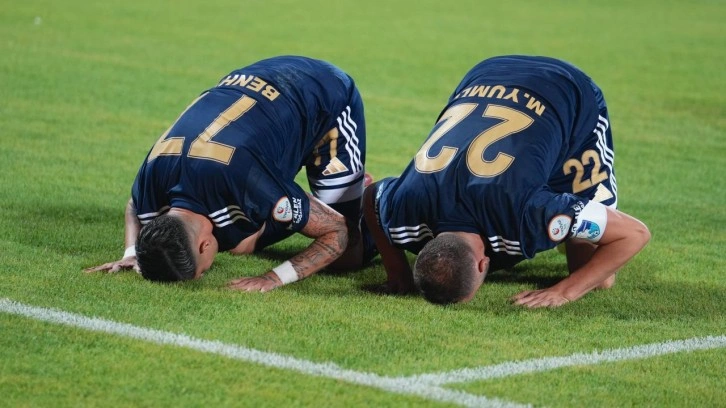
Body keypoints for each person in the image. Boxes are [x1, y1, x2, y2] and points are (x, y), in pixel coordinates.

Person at [363, 55, 650, 308]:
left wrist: (564, 292)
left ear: (483, 264)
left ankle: (569, 216)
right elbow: (373, 195)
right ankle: (567, 213)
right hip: (486, 73)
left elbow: (634, 234)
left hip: (566, 90)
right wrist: (397, 272)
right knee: (582, 251)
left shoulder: (526, 215)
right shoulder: (404, 209)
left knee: (599, 279)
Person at [86, 56, 373, 292]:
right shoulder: (152, 184)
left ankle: (377, 199)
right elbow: (135, 207)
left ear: (204, 245)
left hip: (321, 94)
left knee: (348, 255)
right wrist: (131, 254)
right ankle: (313, 199)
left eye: (202, 270)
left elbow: (337, 232)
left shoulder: (247, 183)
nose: (205, 272)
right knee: (238, 242)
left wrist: (273, 278)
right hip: (251, 87)